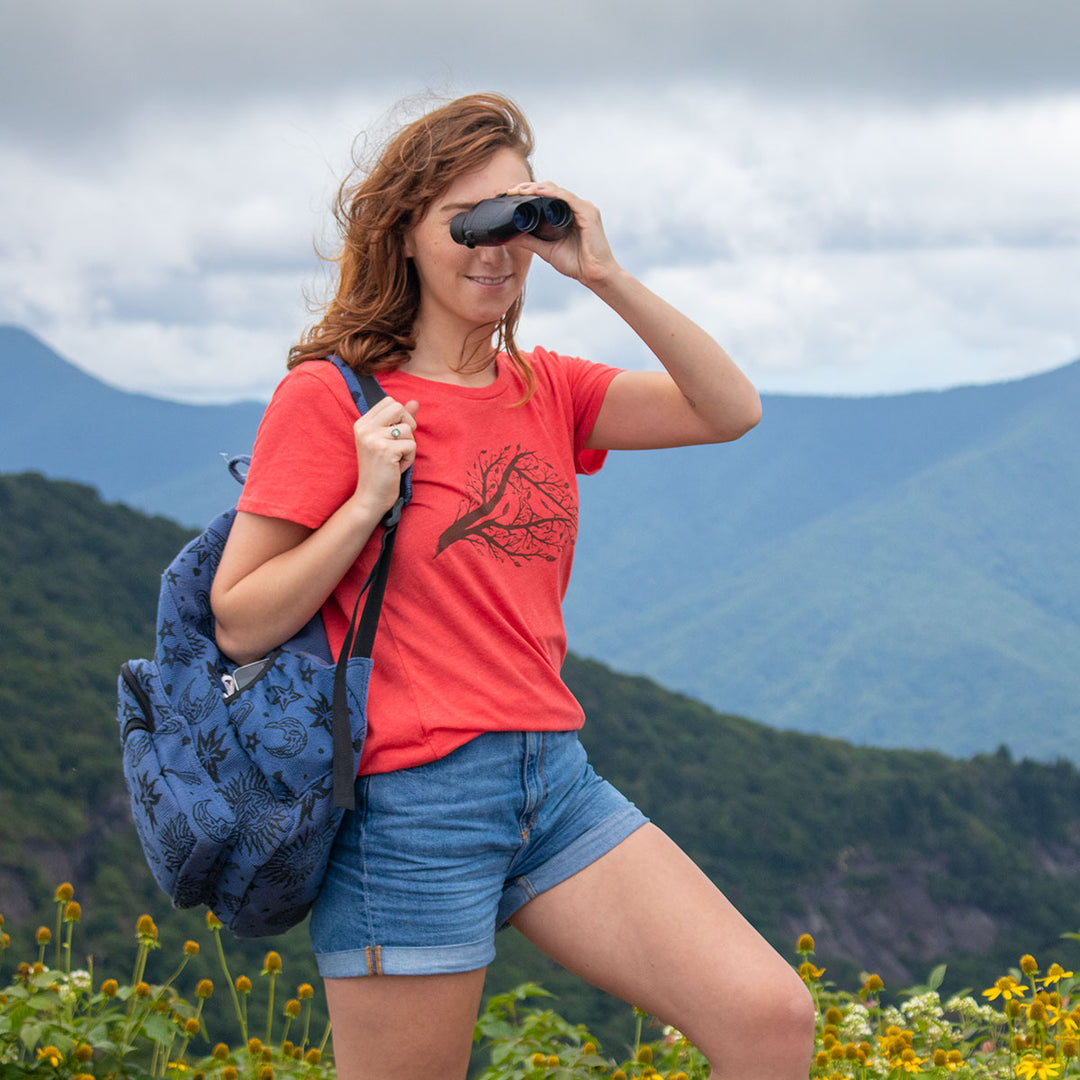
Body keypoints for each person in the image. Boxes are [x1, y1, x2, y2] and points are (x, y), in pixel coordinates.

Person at [210, 92, 814, 1080]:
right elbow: (239, 619)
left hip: (552, 781)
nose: (498, 249)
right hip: (407, 805)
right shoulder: (332, 398)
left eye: (517, 220)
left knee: (769, 1020)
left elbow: (729, 407)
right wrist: (363, 504)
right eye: (468, 222)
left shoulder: (548, 388)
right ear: (402, 232)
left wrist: (603, 272)